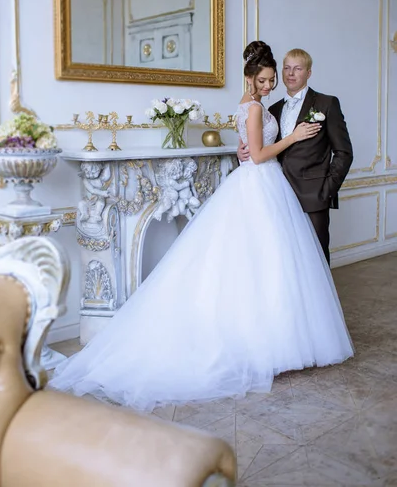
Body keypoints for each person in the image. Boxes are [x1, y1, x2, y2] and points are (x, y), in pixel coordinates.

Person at [49, 42, 354, 412]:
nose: (272, 84)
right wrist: (282, 140)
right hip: (264, 185)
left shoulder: (276, 105)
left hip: (282, 189)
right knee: (263, 265)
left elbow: (264, 148)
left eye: (276, 78)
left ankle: (289, 339)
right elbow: (259, 152)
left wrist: (253, 150)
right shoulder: (260, 107)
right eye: (266, 78)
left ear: (305, 72)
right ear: (250, 78)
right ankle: (266, 343)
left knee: (277, 266)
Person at [238, 47, 353, 264]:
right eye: (287, 68)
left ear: (308, 73)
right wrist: (241, 150)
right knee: (286, 260)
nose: (291, 74)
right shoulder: (271, 108)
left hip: (313, 195)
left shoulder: (327, 103)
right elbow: (260, 146)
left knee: (316, 259)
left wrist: (327, 190)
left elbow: (344, 152)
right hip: (277, 195)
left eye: (297, 68)